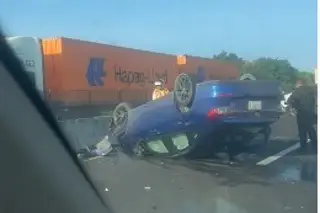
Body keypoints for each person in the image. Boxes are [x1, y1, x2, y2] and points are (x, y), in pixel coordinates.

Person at [287, 79, 317, 150]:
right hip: (311, 112)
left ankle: (303, 145)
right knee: (310, 128)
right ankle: (315, 144)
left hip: (302, 112)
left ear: (298, 84)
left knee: (302, 129)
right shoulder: (311, 90)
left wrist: (293, 107)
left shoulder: (297, 91)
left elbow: (289, 100)